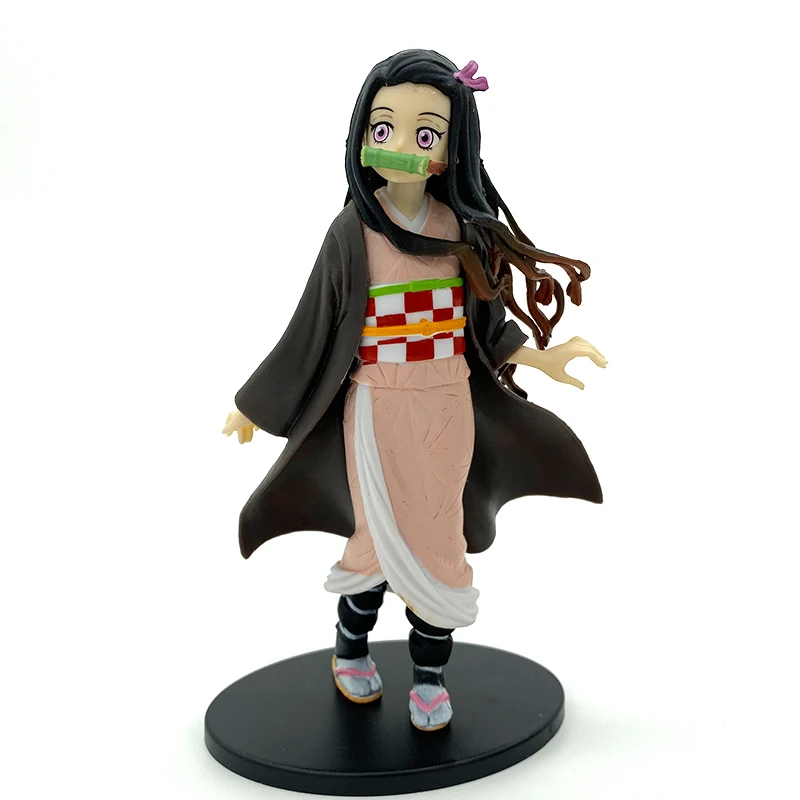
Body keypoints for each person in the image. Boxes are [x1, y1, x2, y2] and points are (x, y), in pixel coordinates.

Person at [223, 49, 606, 732]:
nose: (401, 145)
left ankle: (429, 677)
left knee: (437, 541)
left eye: (425, 133)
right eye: (384, 128)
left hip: (447, 405)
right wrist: (255, 403)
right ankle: (350, 649)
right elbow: (310, 325)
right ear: (361, 136)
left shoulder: (460, 232)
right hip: (376, 406)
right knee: (373, 538)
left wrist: (539, 357)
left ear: (451, 150)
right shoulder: (351, 233)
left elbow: (485, 325)